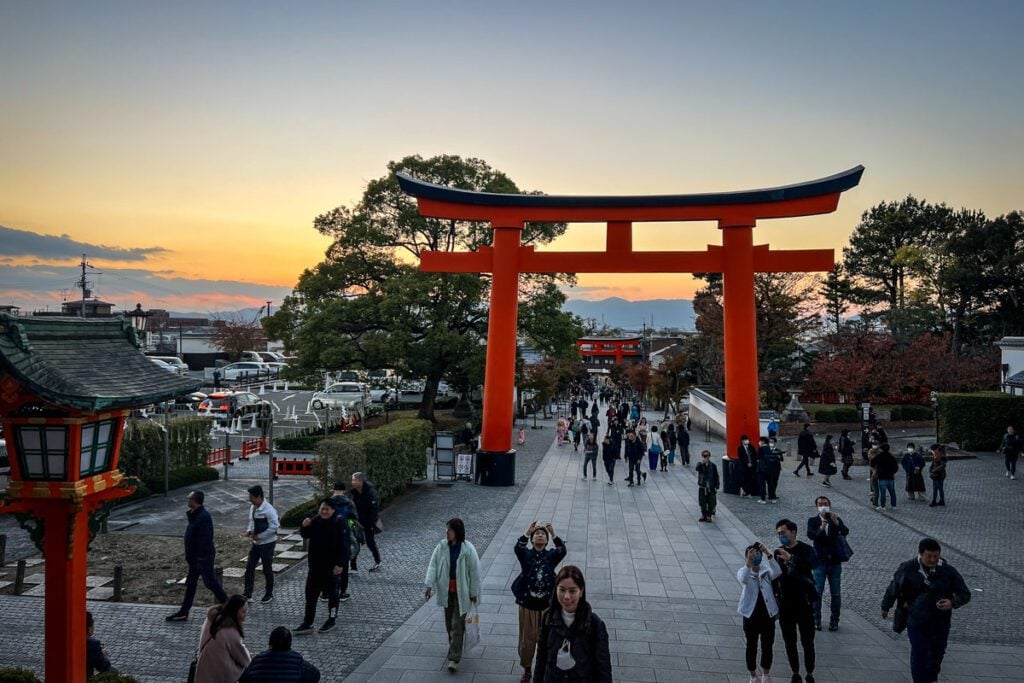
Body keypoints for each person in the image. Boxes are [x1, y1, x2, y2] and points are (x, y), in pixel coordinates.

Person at [881, 538, 971, 683]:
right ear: (920, 554)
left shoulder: (948, 571)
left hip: (940, 622)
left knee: (937, 653)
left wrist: (952, 602)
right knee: (919, 653)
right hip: (916, 620)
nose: (933, 559)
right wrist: (886, 606)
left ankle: (931, 679)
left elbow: (965, 593)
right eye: (929, 556)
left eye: (936, 556)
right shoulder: (908, 569)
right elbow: (894, 587)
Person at [533, 565, 612, 682]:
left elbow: (603, 667)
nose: (566, 596)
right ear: (556, 590)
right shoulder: (548, 618)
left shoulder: (595, 624)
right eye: (562, 590)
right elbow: (541, 659)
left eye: (572, 591)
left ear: (581, 591)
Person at [424, 518, 481, 673]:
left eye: (450, 529)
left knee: (457, 624)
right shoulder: (441, 547)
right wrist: (429, 585)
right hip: (447, 591)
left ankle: (454, 658)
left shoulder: (468, 549)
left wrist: (474, 593)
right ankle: (455, 644)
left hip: (462, 592)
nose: (447, 532)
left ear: (457, 531)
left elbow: (474, 572)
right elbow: (433, 565)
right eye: (446, 529)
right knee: (449, 623)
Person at [513, 522, 567, 682]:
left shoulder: (550, 556)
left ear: (546, 540)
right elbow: (518, 549)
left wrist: (554, 534)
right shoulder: (526, 555)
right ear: (532, 539)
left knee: (548, 640)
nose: (540, 535)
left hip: (546, 607)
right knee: (527, 640)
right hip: (528, 606)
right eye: (536, 533)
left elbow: (562, 551)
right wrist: (526, 532)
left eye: (543, 534)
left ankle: (544, 668)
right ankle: (527, 669)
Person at [167, 490, 228, 621]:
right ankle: (184, 612)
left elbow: (205, 539)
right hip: (195, 558)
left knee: (210, 582)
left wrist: (200, 557)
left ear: (195, 501)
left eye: (189, 498)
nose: (187, 500)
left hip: (202, 557)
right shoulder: (195, 515)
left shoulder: (203, 517)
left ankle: (229, 606)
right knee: (191, 584)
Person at [295, 499, 350, 635]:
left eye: (327, 509)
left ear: (332, 510)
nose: (324, 512)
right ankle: (308, 622)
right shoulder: (316, 520)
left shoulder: (339, 523)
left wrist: (340, 564)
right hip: (315, 566)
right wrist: (304, 526)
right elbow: (305, 535)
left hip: (332, 567)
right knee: (310, 595)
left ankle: (331, 619)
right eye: (322, 509)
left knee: (333, 594)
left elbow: (345, 546)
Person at [774, 521, 817, 683]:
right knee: (789, 641)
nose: (781, 536)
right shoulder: (778, 551)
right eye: (778, 533)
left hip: (804, 602)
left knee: (807, 641)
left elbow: (811, 565)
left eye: (783, 533)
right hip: (786, 604)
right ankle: (795, 672)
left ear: (794, 532)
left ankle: (810, 673)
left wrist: (791, 558)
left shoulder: (807, 550)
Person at [736, 541, 781, 683]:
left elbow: (778, 571)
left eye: (757, 555)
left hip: (768, 614)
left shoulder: (766, 569)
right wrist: (749, 563)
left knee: (768, 645)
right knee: (751, 645)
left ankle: (766, 673)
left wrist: (768, 553)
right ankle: (753, 674)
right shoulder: (744, 571)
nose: (756, 557)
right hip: (751, 615)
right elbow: (743, 578)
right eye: (753, 555)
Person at [806, 496, 849, 631]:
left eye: (825, 504)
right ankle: (816, 619)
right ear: (817, 507)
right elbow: (812, 535)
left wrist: (836, 523)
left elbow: (845, 531)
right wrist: (822, 526)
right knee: (817, 592)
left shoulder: (836, 519)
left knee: (835, 593)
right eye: (820, 504)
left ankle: (834, 620)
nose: (823, 506)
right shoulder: (813, 521)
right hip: (819, 562)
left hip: (835, 562)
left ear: (829, 505)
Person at [194, 594, 252, 683]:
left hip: (204, 664)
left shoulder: (212, 619)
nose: (246, 614)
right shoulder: (231, 632)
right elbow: (242, 657)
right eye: (243, 611)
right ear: (235, 611)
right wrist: (251, 659)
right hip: (219, 673)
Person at [238, 626, 321, 682]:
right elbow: (315, 675)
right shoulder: (296, 659)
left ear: (271, 642)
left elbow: (243, 678)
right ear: (289, 643)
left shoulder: (259, 659)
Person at [243, 485, 279, 603]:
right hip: (256, 543)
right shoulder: (253, 508)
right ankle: (247, 593)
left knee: (266, 568)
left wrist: (260, 536)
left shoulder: (269, 510)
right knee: (249, 567)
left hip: (267, 543)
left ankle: (269, 593)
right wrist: (249, 531)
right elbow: (251, 522)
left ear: (259, 497)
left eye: (252, 497)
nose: (250, 499)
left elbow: (274, 527)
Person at [327, 482, 358, 601]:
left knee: (328, 564)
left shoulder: (328, 502)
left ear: (333, 489)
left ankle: (326, 592)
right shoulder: (349, 503)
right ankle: (342, 592)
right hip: (344, 536)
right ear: (344, 491)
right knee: (343, 565)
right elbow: (355, 517)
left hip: (328, 536)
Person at [350, 472, 382, 572]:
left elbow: (374, 510)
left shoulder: (370, 493)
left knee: (370, 542)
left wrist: (372, 524)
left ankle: (378, 561)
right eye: (352, 480)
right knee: (355, 542)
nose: (352, 482)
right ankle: (353, 566)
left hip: (368, 523)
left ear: (361, 481)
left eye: (354, 480)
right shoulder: (354, 492)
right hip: (357, 522)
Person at [86, 611, 116, 677]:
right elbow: (104, 666)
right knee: (113, 671)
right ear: (89, 628)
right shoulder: (92, 643)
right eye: (93, 625)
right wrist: (102, 654)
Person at [696, 450, 719, 522]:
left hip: (711, 486)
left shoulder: (713, 465)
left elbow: (716, 475)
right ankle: (703, 515)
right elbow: (697, 468)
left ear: (709, 456)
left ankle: (709, 515)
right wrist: (701, 464)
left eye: (706, 456)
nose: (705, 457)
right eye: (704, 456)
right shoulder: (700, 464)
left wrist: (717, 485)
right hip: (703, 486)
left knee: (711, 501)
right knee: (702, 501)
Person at [874, 443, 899, 511]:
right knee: (892, 492)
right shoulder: (891, 457)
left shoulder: (879, 456)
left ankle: (883, 506)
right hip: (890, 477)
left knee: (883, 493)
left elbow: (872, 462)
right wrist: (892, 472)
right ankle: (894, 505)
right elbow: (896, 467)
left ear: (881, 449)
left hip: (882, 477)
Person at [757, 436, 781, 504]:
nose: (759, 442)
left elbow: (758, 457)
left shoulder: (761, 448)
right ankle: (772, 498)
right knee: (770, 484)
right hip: (769, 468)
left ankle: (763, 499)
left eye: (760, 441)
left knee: (762, 484)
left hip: (762, 469)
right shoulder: (769, 448)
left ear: (763, 441)